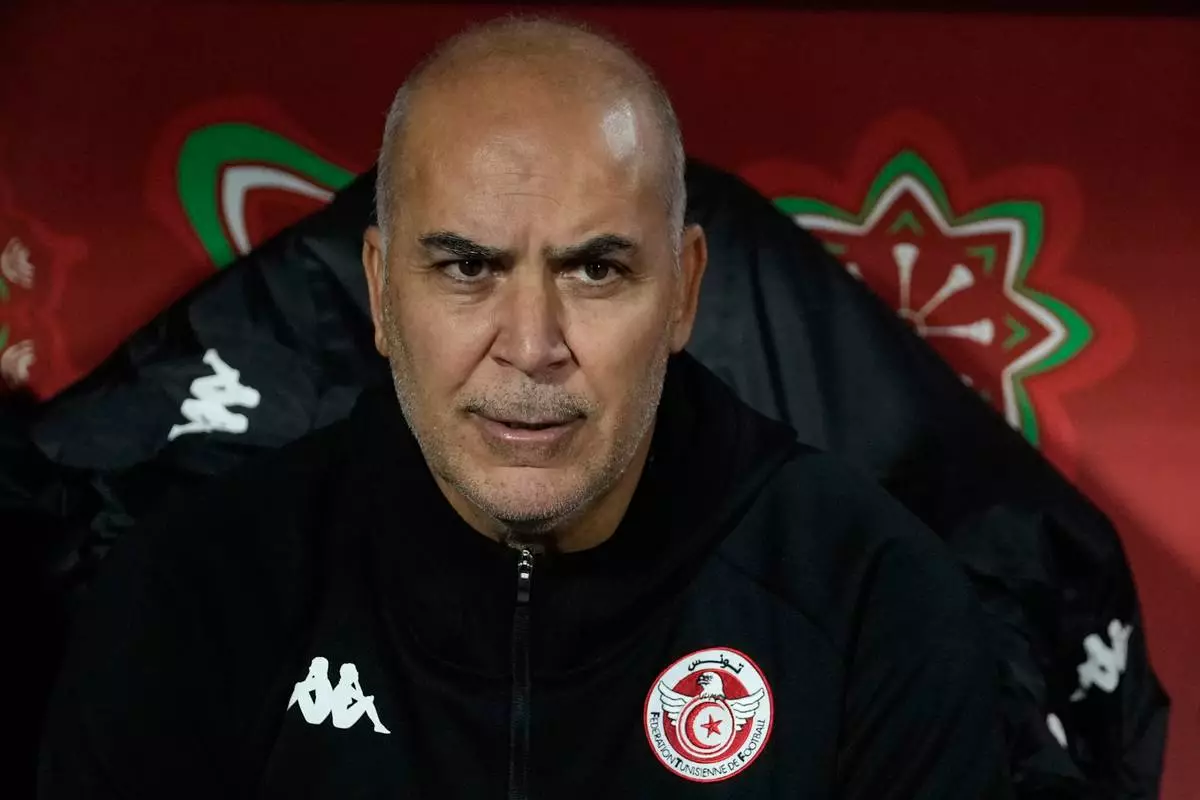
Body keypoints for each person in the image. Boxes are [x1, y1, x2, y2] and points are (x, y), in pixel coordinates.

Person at [39, 16, 1011, 798]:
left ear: (683, 291)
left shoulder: (873, 602)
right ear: (380, 291)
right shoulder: (198, 593)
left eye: (596, 270)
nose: (533, 344)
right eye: (468, 267)